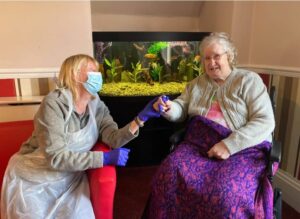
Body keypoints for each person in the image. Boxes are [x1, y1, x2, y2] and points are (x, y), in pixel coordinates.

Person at [0, 54, 160, 219]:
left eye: (97, 71)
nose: (98, 76)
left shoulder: (96, 105)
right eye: (92, 70)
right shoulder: (53, 104)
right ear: (74, 74)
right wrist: (103, 159)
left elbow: (113, 138)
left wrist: (141, 118)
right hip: (34, 179)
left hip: (70, 179)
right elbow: (56, 157)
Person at [143, 32, 276, 218]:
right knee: (168, 175)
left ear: (229, 55)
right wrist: (168, 107)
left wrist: (229, 145)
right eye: (207, 58)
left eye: (216, 56)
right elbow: (181, 108)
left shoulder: (248, 80)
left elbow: (265, 121)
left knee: (226, 194)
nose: (211, 62)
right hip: (198, 144)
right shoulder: (196, 84)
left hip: (241, 148)